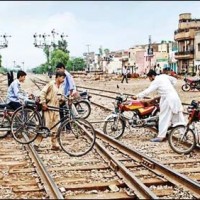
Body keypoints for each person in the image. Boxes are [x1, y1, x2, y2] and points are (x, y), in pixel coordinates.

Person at [135, 69, 186, 142]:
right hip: (175, 97)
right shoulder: (164, 76)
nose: (149, 79)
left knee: (163, 117)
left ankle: (161, 136)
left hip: (168, 100)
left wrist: (137, 96)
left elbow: (148, 91)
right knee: (178, 117)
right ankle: (184, 134)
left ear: (152, 76)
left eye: (149, 78)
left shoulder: (156, 81)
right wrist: (168, 88)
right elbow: (174, 80)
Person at [34, 71, 66, 151]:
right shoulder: (51, 84)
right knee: (46, 126)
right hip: (48, 109)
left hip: (56, 109)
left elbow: (61, 98)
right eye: (62, 77)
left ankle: (54, 145)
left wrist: (63, 100)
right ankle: (36, 144)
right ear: (58, 77)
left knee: (56, 127)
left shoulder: (61, 87)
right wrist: (43, 103)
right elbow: (42, 93)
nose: (63, 79)